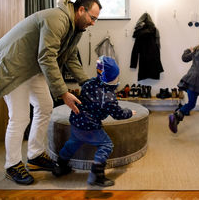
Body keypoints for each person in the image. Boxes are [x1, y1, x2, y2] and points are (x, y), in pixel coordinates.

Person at [0, 0, 102, 185]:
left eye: (95, 19)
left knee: (44, 106)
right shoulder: (57, 19)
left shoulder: (75, 29)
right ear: (81, 10)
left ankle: (34, 156)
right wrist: (63, 93)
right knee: (20, 117)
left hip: (33, 67)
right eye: (92, 18)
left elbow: (70, 58)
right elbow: (47, 57)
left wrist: (88, 84)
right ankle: (12, 165)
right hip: (13, 67)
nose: (93, 23)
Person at [52, 56, 136, 187]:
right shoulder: (108, 97)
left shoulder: (88, 83)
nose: (118, 79)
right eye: (116, 76)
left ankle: (60, 165)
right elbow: (118, 114)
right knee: (106, 145)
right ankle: (97, 175)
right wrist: (130, 112)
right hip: (90, 127)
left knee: (73, 143)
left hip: (76, 121)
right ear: (111, 78)